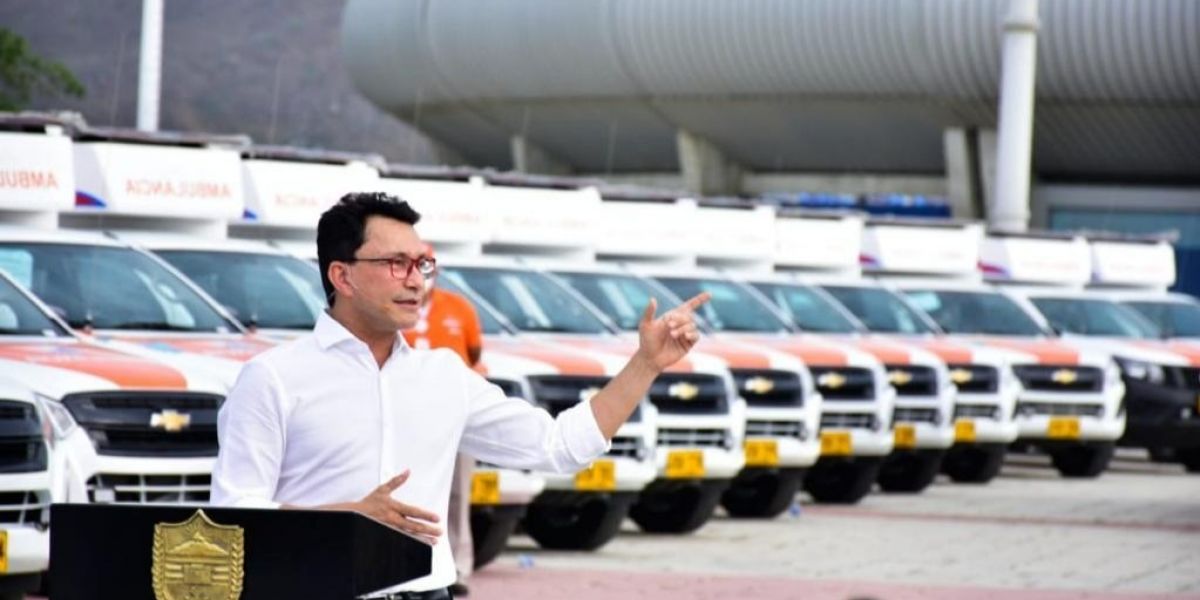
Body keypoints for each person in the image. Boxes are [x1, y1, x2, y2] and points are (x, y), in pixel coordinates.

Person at [211, 192, 710, 599]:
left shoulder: (444, 375)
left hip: (429, 592)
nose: (415, 281)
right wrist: (344, 519)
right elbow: (232, 516)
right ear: (341, 275)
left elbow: (559, 446)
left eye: (422, 265)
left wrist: (645, 364)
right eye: (395, 263)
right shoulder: (272, 378)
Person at [402, 249, 481, 596]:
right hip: (408, 415)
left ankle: (459, 569)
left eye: (426, 267)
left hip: (454, 415)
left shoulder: (459, 308)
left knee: (459, 494)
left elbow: (475, 353)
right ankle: (410, 564)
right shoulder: (396, 309)